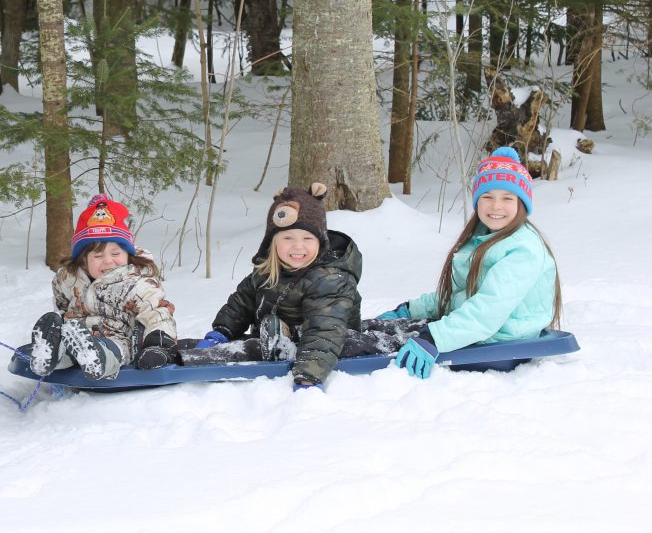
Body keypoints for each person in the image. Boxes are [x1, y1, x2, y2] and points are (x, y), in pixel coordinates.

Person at [376, 146, 561, 379]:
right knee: (369, 331)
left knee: (370, 344)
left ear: (522, 203)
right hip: (476, 330)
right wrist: (409, 309)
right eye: (487, 196)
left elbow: (488, 310)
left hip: (500, 340)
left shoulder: (524, 250)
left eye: (507, 198)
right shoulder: (483, 238)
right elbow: (460, 295)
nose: (496, 206)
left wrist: (433, 338)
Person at [180, 183, 361, 389]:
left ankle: (284, 343)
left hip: (333, 341)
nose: (298, 246)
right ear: (273, 241)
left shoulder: (330, 278)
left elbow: (325, 330)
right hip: (281, 336)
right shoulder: (267, 271)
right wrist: (221, 333)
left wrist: (309, 377)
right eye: (287, 238)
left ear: (321, 242)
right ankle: (279, 341)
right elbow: (241, 303)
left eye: (308, 238)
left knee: (279, 335)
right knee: (257, 336)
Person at [28, 194, 178, 380]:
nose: (108, 261)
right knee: (66, 345)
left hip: (118, 340)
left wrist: (160, 343)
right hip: (75, 335)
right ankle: (52, 355)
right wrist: (60, 322)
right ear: (83, 259)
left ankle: (96, 359)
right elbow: (62, 305)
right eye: (98, 256)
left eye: (116, 253)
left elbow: (156, 312)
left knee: (111, 349)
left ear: (128, 254)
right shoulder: (68, 279)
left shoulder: (136, 282)